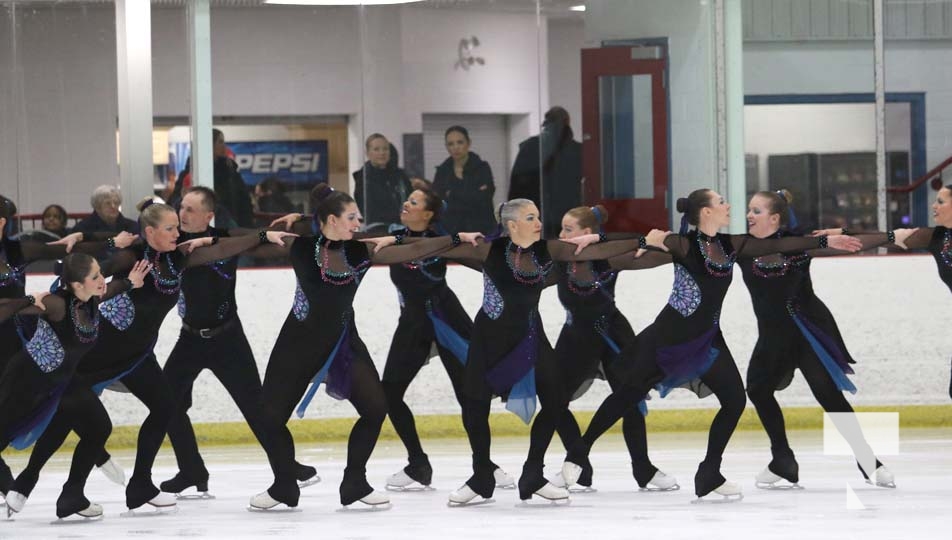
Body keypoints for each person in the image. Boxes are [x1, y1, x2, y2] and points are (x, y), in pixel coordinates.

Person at [559, 188, 863, 501]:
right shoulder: (683, 244)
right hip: (668, 337)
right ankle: (576, 455)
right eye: (721, 202)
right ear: (705, 212)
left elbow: (781, 243)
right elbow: (638, 240)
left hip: (707, 341)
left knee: (734, 401)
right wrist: (596, 240)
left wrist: (825, 241)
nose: (728, 205)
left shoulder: (731, 244)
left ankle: (709, 472)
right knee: (627, 396)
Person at [5, 200, 295, 514]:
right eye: (169, 228)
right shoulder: (132, 256)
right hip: (100, 351)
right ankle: (31, 481)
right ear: (150, 232)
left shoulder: (178, 258)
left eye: (177, 227)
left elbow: (223, 249)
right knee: (69, 416)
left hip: (138, 355)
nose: (177, 232)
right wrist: (104, 251)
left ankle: (138, 484)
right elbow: (84, 274)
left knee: (164, 407)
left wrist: (262, 236)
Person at [371, 199, 647, 505]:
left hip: (530, 337)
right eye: (531, 218)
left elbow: (609, 250)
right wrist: (396, 238)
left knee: (555, 402)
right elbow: (423, 248)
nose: (539, 222)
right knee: (475, 405)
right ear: (513, 225)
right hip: (489, 340)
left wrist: (607, 238)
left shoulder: (550, 251)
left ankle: (533, 473)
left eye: (538, 216)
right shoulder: (488, 250)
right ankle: (481, 476)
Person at [248, 184, 489, 511]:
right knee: (270, 417)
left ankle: (355, 482)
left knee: (376, 408)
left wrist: (454, 239)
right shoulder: (302, 248)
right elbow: (251, 243)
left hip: (343, 344)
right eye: (351, 217)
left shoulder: (361, 250)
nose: (358, 223)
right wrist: (263, 234)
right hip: (297, 345)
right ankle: (283, 486)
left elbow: (414, 248)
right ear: (332, 219)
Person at [740, 190, 910, 489]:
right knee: (757, 388)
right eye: (749, 211)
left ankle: (869, 462)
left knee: (828, 395)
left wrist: (879, 235)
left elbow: (849, 243)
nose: (749, 216)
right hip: (773, 336)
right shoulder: (744, 246)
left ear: (775, 217)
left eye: (756, 211)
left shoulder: (802, 242)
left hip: (806, 331)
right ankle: (782, 459)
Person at [158, 186, 317, 498]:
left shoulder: (227, 237)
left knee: (257, 409)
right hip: (189, 338)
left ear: (208, 215)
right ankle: (191, 469)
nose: (183, 214)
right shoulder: (174, 243)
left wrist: (294, 223)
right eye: (181, 208)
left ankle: (288, 468)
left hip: (227, 338)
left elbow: (268, 237)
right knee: (165, 403)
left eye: (190, 209)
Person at [358, 181, 511, 491]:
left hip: (446, 320)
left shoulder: (442, 241)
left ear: (427, 214)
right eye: (407, 200)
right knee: (388, 394)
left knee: (469, 397)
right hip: (412, 325)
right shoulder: (394, 236)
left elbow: (483, 258)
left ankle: (486, 466)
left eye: (414, 203)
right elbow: (358, 241)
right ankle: (418, 463)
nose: (406, 205)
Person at [0, 254, 150, 519]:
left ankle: (68, 494)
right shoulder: (57, 304)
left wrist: (130, 282)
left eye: (101, 273)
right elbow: (10, 309)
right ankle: (28, 484)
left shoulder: (91, 299)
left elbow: (111, 289)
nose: (102, 280)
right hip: (25, 383)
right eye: (95, 277)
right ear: (77, 285)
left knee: (98, 427)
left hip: (62, 383)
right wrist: (26, 300)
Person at [550, 205, 677, 492]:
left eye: (568, 229)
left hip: (613, 334)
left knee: (629, 401)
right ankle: (579, 462)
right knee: (554, 400)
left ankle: (643, 469)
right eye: (561, 228)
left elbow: (645, 245)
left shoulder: (610, 256)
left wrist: (601, 242)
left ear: (587, 233)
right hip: (576, 338)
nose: (561, 234)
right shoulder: (559, 256)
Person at [888, 183, 952, 400]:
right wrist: (838, 235)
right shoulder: (938, 238)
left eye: (941, 202)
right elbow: (885, 238)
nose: (934, 206)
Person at [508, 106, 582, 238]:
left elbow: (516, 186)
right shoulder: (578, 151)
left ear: (545, 122)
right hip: (568, 216)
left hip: (535, 214)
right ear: (567, 122)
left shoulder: (530, 147)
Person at [170, 129, 254, 228]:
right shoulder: (191, 172)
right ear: (210, 144)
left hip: (231, 227)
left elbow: (243, 201)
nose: (224, 146)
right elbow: (176, 199)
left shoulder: (230, 171)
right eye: (220, 142)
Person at [432, 126, 496, 235]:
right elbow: (439, 202)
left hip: (482, 229)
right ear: (446, 147)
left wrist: (452, 194)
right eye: (451, 144)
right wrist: (471, 194)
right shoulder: (442, 171)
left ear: (468, 143)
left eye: (460, 142)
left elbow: (484, 198)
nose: (456, 147)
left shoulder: (481, 168)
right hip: (452, 231)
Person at [352, 135, 412, 234]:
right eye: (376, 149)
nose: (382, 153)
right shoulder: (363, 179)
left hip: (405, 228)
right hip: (379, 231)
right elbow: (369, 211)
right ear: (368, 153)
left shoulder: (400, 176)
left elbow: (410, 198)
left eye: (385, 149)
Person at [72, 185, 140, 236]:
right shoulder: (82, 229)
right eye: (108, 203)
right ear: (97, 206)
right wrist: (113, 242)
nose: (113, 206)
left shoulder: (132, 226)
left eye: (116, 203)